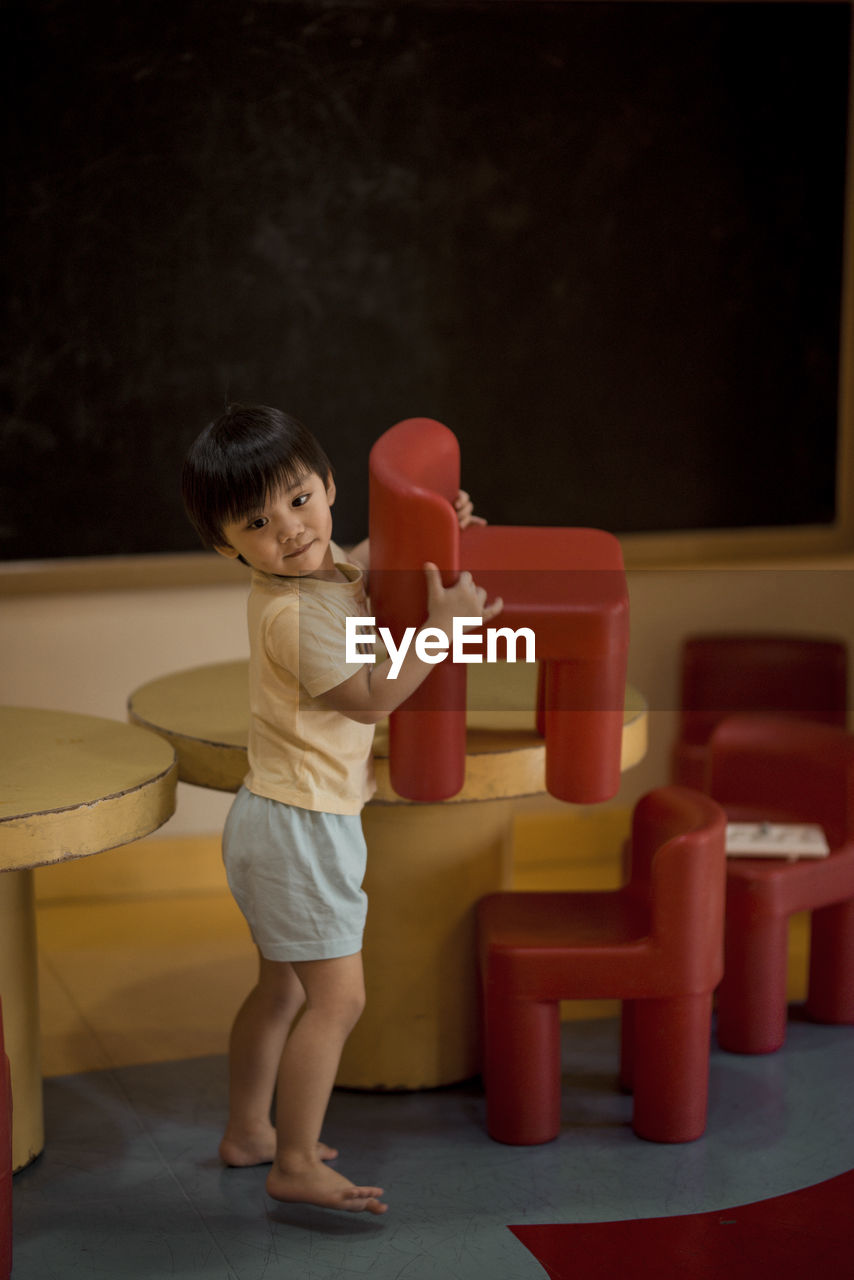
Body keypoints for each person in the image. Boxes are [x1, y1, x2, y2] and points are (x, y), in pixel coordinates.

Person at [181, 404, 501, 1216]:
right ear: (228, 546)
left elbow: (363, 562)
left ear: (327, 486)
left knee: (284, 992)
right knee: (338, 999)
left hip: (281, 818)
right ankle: (292, 1161)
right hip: (301, 829)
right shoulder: (293, 612)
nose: (289, 529)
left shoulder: (323, 573)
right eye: (257, 521)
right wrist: (442, 629)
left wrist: (436, 530)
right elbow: (368, 701)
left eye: (297, 499)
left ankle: (250, 1131)